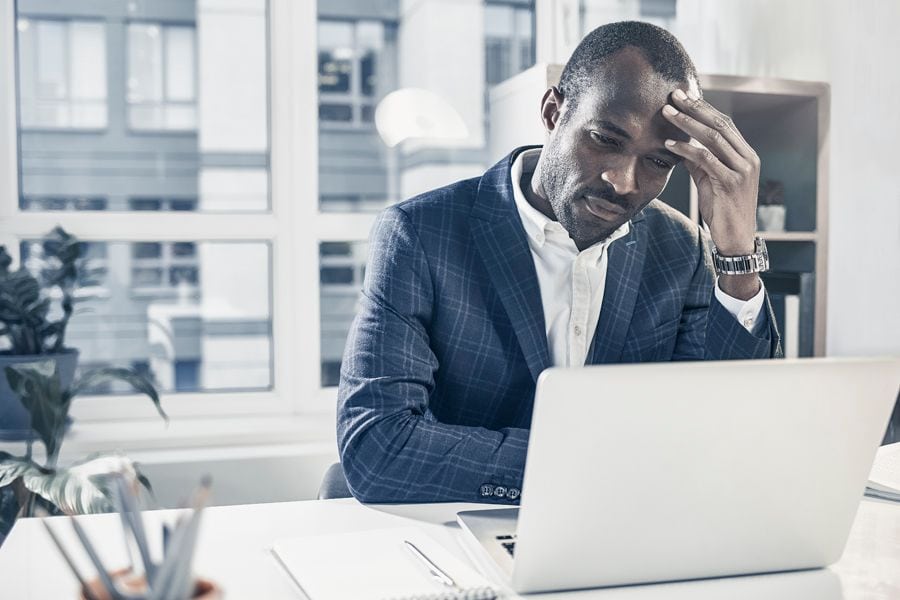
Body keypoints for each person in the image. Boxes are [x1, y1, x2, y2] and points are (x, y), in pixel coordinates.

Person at [337, 21, 781, 504]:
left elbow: (729, 430)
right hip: (465, 533)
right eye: (606, 139)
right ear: (553, 112)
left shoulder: (683, 249)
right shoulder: (420, 235)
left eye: (657, 163)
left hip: (629, 537)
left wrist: (737, 253)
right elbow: (378, 447)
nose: (623, 181)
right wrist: (584, 468)